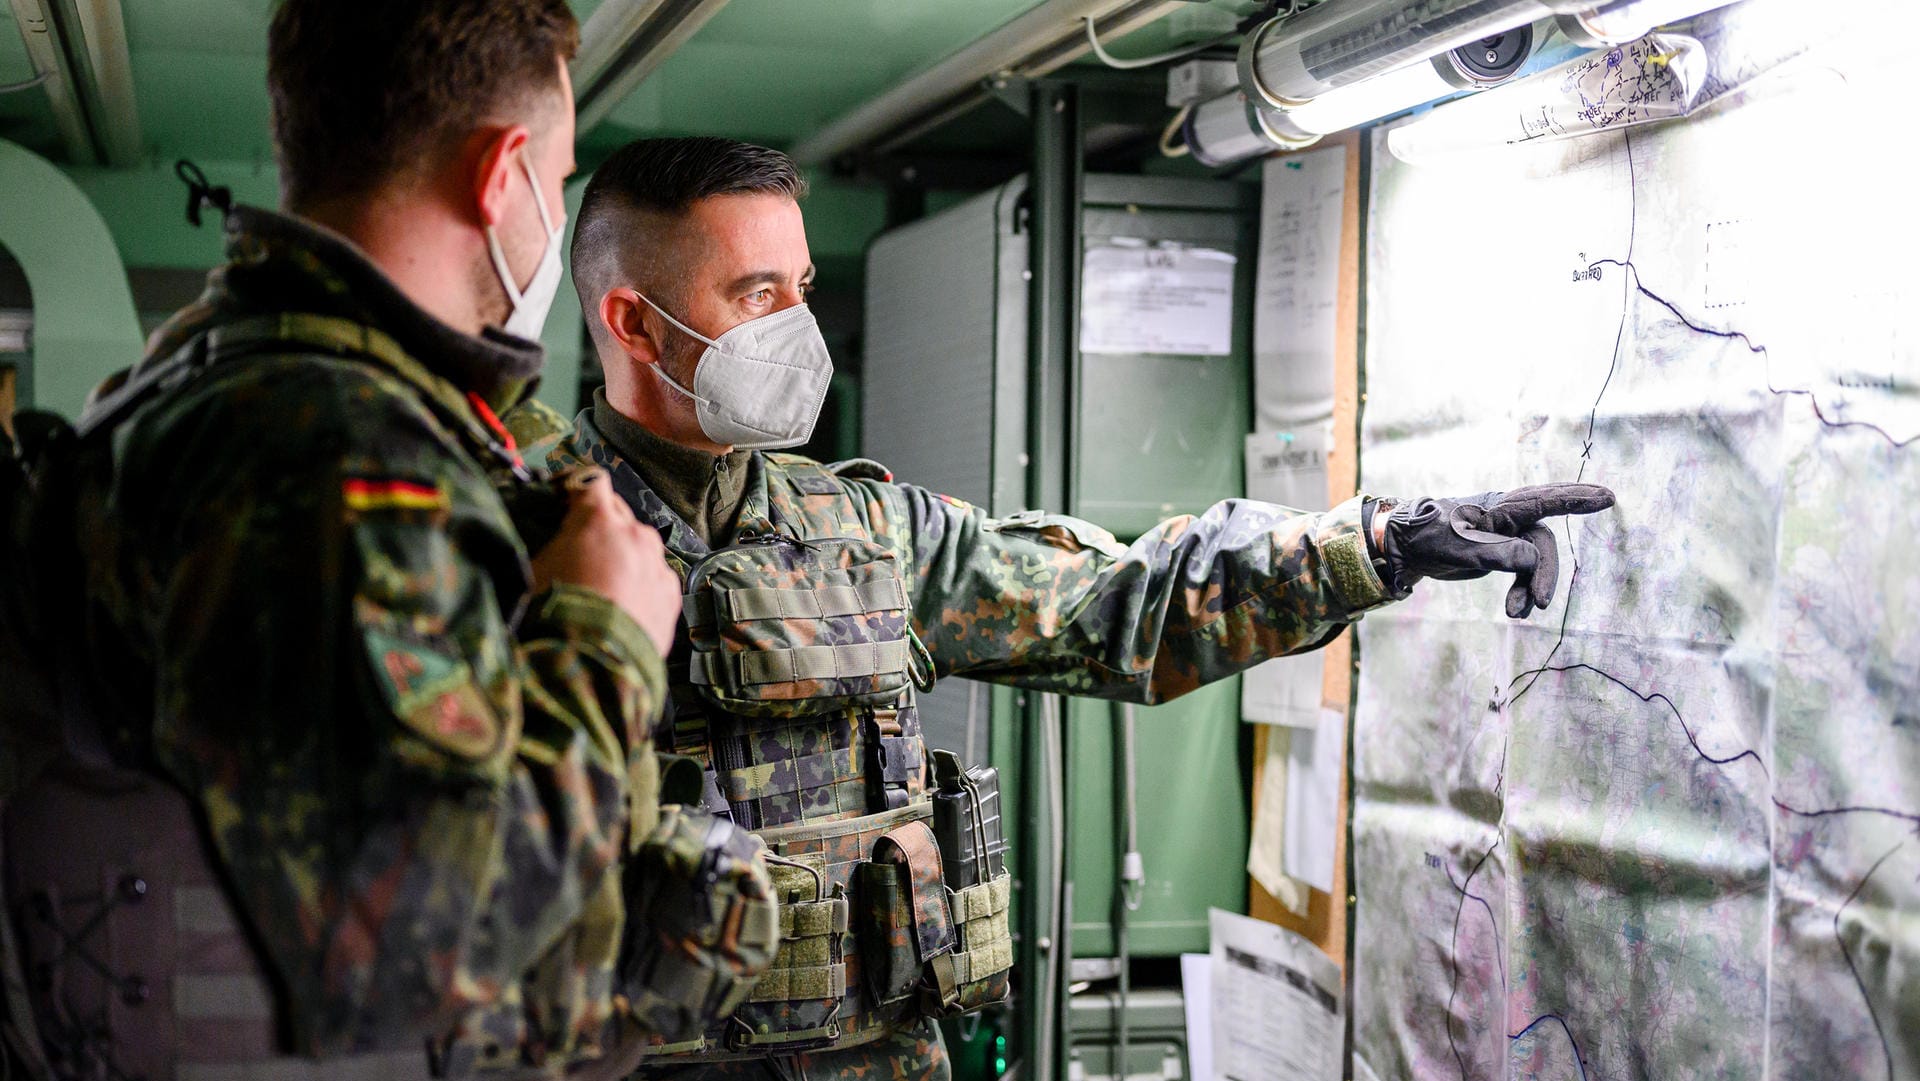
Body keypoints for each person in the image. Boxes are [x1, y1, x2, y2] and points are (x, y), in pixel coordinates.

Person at [532, 135, 1616, 1081]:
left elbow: (1121, 601)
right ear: (636, 322)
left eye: (805, 287)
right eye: (758, 293)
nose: (801, 328)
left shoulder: (872, 534)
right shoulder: (506, 542)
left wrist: (1373, 544)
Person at [0, 2, 712, 1076]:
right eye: (560, 181)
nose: (553, 212)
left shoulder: (184, 380)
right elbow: (421, 945)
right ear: (500, 173)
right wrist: (605, 630)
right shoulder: (333, 455)